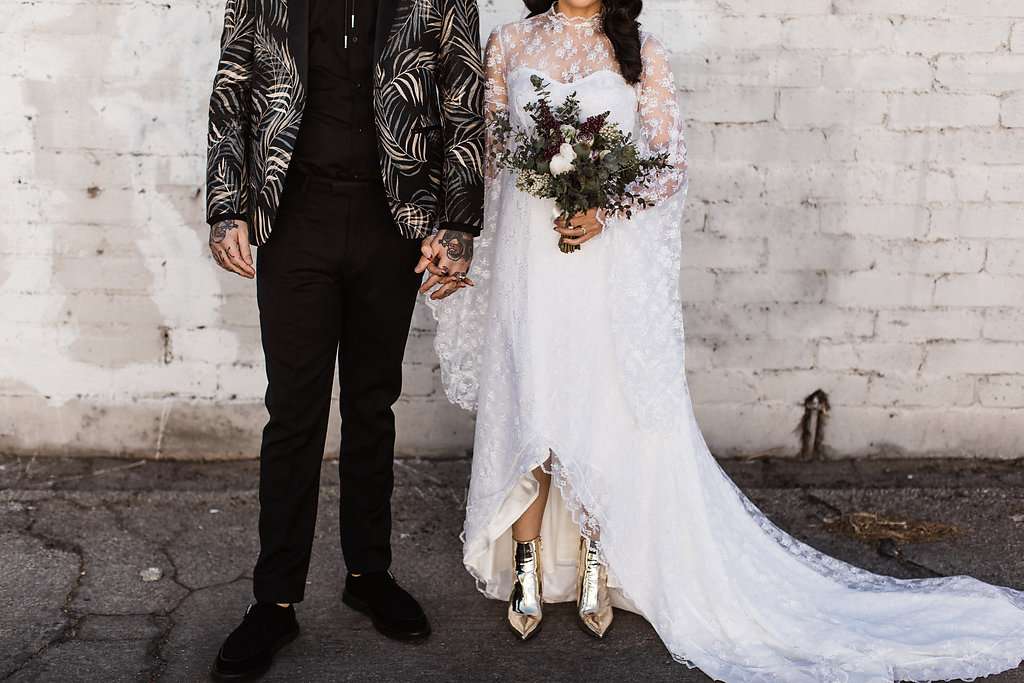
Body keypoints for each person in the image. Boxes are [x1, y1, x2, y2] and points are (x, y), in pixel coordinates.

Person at [429, 0, 1024, 680]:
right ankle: (527, 567)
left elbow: (668, 164)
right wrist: (457, 243)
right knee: (528, 396)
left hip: (601, 260)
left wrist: (604, 209)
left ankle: (597, 559)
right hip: (530, 259)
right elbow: (489, 160)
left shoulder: (642, 50)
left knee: (598, 407)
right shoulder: (508, 43)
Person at [203, 0, 483, 678]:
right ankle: (274, 601)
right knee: (293, 413)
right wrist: (226, 206)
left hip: (393, 221)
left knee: (371, 405)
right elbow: (232, 87)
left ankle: (368, 573)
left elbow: (464, 98)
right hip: (295, 218)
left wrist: (458, 224)